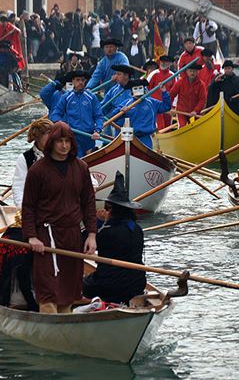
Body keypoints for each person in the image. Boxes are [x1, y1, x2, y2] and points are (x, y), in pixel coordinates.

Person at [21, 122, 98, 314]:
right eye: (59, 141)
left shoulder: (81, 168)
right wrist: (31, 236)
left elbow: (88, 203)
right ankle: (49, 329)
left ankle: (65, 328)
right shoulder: (37, 170)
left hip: (72, 235)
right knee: (48, 290)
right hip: (46, 237)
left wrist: (91, 234)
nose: (64, 146)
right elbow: (28, 206)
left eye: (67, 141)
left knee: (69, 291)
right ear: (51, 143)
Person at [82, 171, 146, 305]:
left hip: (109, 285)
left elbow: (85, 245)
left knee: (82, 284)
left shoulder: (107, 232)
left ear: (112, 211)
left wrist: (98, 222)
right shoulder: (137, 229)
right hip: (137, 284)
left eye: (107, 208)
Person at [49, 70, 104, 157]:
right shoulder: (66, 97)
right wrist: (62, 125)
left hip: (89, 136)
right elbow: (55, 115)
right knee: (78, 160)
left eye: (82, 80)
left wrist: (98, 130)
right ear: (73, 81)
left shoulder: (92, 97)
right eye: (78, 80)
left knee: (91, 160)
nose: (80, 83)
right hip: (73, 136)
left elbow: (99, 116)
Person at [115, 78, 172, 148]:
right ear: (132, 91)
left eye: (140, 88)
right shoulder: (127, 103)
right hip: (130, 138)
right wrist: (121, 111)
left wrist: (164, 92)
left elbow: (166, 107)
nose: (138, 90)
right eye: (135, 88)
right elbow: (114, 117)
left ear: (144, 90)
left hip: (146, 138)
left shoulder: (152, 102)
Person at [12, 118, 55, 208]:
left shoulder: (62, 154)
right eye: (48, 133)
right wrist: (23, 209)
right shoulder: (25, 159)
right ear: (38, 137)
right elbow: (19, 187)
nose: (52, 137)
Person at [169, 63, 207, 127]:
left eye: (194, 71)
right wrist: (171, 107)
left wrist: (195, 111)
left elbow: (202, 100)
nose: (192, 73)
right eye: (190, 70)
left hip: (195, 113)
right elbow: (171, 95)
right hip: (181, 111)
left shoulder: (201, 85)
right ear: (186, 71)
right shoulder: (180, 82)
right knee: (182, 126)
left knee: (195, 128)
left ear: (198, 72)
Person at [147, 55, 176, 130]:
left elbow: (176, 92)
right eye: (162, 61)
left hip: (167, 106)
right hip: (155, 106)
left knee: (167, 127)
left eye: (166, 62)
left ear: (170, 64)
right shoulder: (154, 74)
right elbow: (146, 88)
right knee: (160, 127)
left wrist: (174, 107)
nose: (163, 63)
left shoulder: (172, 75)